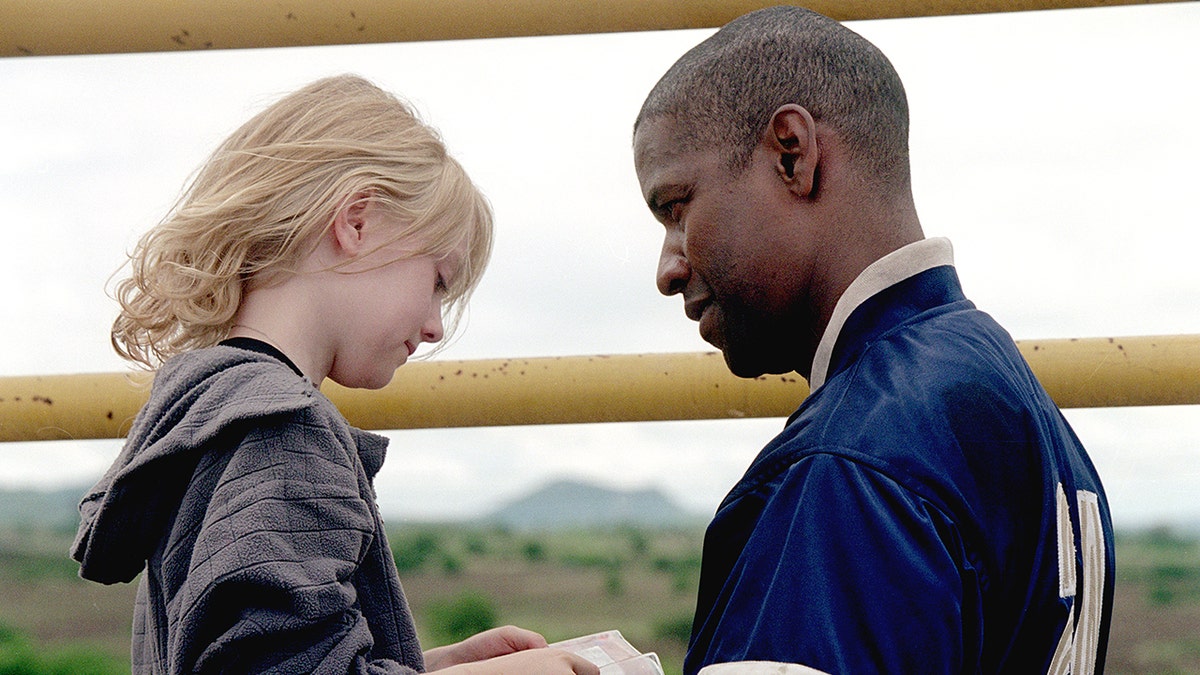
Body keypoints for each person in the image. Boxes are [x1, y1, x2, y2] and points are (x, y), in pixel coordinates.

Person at [632, 7, 1114, 675]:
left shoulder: (851, 464)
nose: (667, 267)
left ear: (791, 154)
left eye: (676, 208)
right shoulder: (1015, 400)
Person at [71, 74, 599, 675]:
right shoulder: (283, 430)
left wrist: (432, 667)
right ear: (356, 220)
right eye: (437, 283)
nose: (434, 327)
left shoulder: (207, 411)